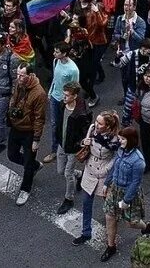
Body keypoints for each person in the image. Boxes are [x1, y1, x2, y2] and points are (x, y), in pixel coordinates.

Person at [73, 110, 121, 246]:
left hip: (104, 176)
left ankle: (113, 226)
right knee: (86, 203)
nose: (96, 125)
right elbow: (84, 144)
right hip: (90, 171)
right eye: (96, 121)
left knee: (109, 206)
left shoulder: (115, 140)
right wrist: (84, 142)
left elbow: (117, 157)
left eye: (100, 123)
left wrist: (107, 168)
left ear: (108, 127)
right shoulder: (92, 130)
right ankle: (85, 232)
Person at [101, 126, 148, 263]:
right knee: (109, 216)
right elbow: (115, 167)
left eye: (122, 139)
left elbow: (135, 183)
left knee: (131, 223)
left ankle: (146, 227)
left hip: (128, 194)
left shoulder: (138, 161)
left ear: (131, 140)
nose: (119, 141)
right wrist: (106, 183)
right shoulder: (120, 150)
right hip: (115, 189)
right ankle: (111, 246)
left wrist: (126, 201)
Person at [6, 62, 47, 206]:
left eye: (22, 75)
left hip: (28, 131)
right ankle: (34, 165)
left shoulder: (39, 93)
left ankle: (25, 189)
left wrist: (36, 139)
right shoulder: (19, 84)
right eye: (18, 74)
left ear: (30, 75)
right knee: (12, 155)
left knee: (28, 162)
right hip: (16, 126)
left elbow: (39, 118)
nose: (19, 78)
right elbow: (14, 98)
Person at [54, 81, 90, 215]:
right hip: (62, 144)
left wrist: (80, 143)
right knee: (60, 170)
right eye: (64, 95)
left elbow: (85, 131)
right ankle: (80, 175)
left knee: (67, 174)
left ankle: (69, 198)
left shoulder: (80, 113)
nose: (64, 98)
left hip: (73, 148)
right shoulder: (63, 105)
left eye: (67, 95)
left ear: (74, 96)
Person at [43, 41, 80, 164]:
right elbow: (55, 78)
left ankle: (65, 148)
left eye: (57, 52)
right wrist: (50, 92)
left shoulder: (73, 69)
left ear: (64, 53)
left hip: (65, 101)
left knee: (65, 125)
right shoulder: (56, 61)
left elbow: (75, 88)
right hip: (55, 97)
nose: (54, 53)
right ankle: (55, 150)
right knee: (54, 125)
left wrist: (71, 103)